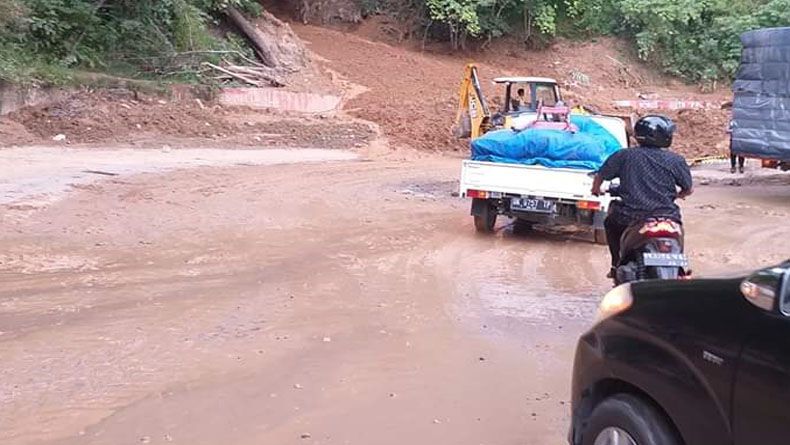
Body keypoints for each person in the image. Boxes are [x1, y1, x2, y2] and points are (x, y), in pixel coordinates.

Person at [591, 115, 693, 277]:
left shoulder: (624, 156)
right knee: (678, 233)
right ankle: (681, 270)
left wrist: (596, 190)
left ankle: (616, 265)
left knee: (610, 222)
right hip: (667, 216)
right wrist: (678, 195)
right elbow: (688, 189)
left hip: (631, 216)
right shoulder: (676, 160)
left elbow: (601, 175)